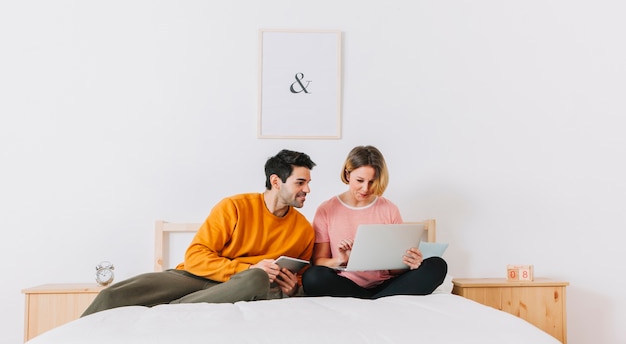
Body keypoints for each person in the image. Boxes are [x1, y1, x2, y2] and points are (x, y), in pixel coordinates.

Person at [82, 149, 316, 316]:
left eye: (308, 183)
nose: (307, 189)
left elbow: (300, 278)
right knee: (112, 296)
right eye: (300, 182)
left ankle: (169, 311)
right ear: (276, 181)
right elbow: (195, 256)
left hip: (244, 286)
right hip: (195, 278)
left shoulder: (304, 230)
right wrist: (246, 268)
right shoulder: (234, 206)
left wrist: (294, 287)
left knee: (258, 278)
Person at [302, 145, 447, 299]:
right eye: (360, 180)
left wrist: (410, 263)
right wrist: (340, 260)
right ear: (347, 174)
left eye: (372, 181)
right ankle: (378, 300)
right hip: (345, 284)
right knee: (312, 276)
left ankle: (371, 299)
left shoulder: (389, 208)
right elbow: (318, 261)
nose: (365, 188)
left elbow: (394, 270)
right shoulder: (326, 209)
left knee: (437, 265)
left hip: (385, 284)